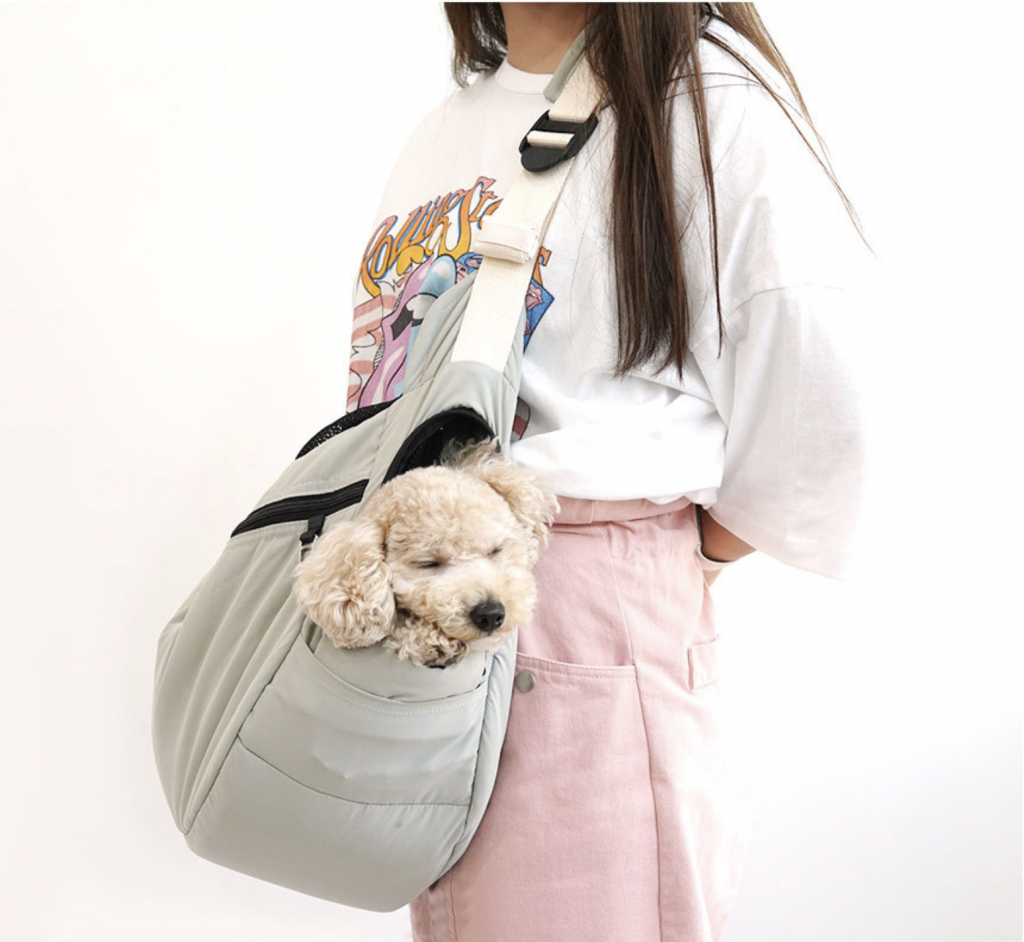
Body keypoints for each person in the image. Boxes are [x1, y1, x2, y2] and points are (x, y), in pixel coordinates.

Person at [345, 4, 872, 940]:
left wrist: (654, 564)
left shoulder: (707, 106)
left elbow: (819, 407)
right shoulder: (450, 125)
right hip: (429, 627)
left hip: (585, 601)